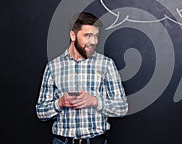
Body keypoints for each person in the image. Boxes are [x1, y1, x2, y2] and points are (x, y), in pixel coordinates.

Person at [36, 12, 128, 144]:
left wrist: (94, 101)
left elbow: (122, 107)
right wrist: (60, 103)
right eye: (87, 36)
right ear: (73, 35)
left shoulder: (106, 64)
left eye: (96, 36)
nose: (93, 42)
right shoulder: (53, 67)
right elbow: (40, 112)